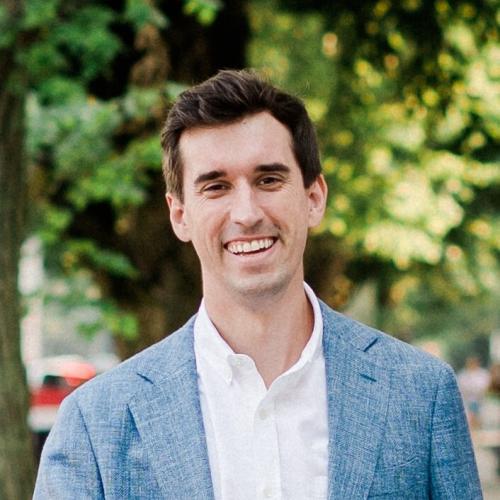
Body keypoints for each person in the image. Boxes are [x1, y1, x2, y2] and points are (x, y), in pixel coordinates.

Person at [34, 70, 482, 499]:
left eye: (268, 180)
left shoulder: (420, 395)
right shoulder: (95, 423)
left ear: (314, 198)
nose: (247, 213)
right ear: (180, 215)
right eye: (216, 187)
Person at [458, 356, 491, 429]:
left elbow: (485, 386)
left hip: (481, 400)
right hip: (467, 400)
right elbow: (461, 387)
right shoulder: (463, 375)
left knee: (481, 418)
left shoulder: (483, 374)